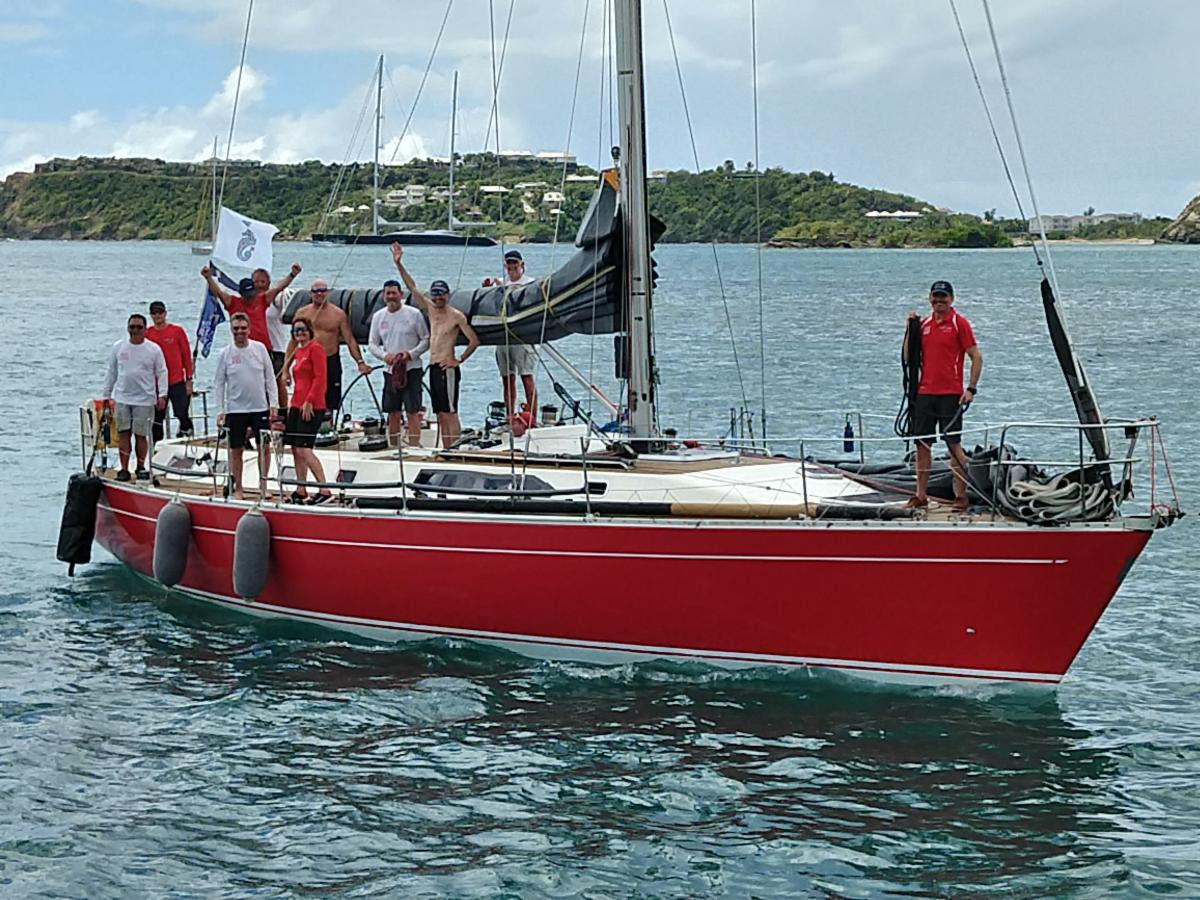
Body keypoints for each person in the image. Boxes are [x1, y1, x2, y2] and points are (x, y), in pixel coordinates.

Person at [904, 280, 984, 511]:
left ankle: (961, 496)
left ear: (951, 299)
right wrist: (910, 329)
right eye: (935, 297)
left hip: (951, 394)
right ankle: (920, 495)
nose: (939, 301)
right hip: (924, 393)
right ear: (930, 298)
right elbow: (909, 358)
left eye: (944, 297)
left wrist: (971, 388)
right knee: (922, 445)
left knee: (953, 445)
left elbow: (976, 357)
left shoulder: (960, 323)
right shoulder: (925, 324)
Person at [391, 243, 479, 448]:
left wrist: (458, 360)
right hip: (433, 365)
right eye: (435, 294)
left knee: (449, 411)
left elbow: (474, 340)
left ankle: (453, 448)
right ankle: (446, 446)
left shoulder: (455, 315)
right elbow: (412, 287)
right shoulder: (431, 310)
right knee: (439, 412)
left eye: (441, 294)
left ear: (448, 295)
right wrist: (398, 263)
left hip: (446, 367)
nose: (438, 298)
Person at [213, 312, 278, 500]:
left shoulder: (260, 349)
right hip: (236, 409)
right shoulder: (225, 354)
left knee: (263, 448)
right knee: (236, 450)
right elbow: (219, 383)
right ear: (231, 330)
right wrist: (220, 410)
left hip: (260, 408)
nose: (239, 332)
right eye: (236, 329)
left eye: (243, 328)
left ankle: (263, 485)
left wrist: (273, 404)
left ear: (249, 329)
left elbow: (270, 378)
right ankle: (238, 487)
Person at [285, 278, 371, 421]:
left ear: (328, 292)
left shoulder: (338, 314)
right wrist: (286, 369)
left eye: (323, 291)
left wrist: (360, 362)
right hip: (308, 361)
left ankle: (328, 427)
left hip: (330, 359)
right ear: (310, 294)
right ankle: (310, 426)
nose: (319, 294)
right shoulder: (302, 313)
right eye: (316, 291)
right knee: (307, 394)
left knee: (330, 401)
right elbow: (293, 342)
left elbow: (349, 339)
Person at [101, 313, 167, 482]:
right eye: (132, 327)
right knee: (124, 433)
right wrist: (106, 395)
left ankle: (140, 466)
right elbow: (112, 372)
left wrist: (162, 394)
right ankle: (123, 468)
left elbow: (161, 372)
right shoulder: (118, 347)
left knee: (141, 434)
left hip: (145, 399)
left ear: (145, 329)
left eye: (139, 327)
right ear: (127, 328)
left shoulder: (154, 349)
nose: (135, 330)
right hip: (123, 398)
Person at [367, 277, 430, 447]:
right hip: (390, 370)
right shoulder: (379, 317)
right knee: (392, 411)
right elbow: (372, 344)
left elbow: (426, 339)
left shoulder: (414, 314)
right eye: (388, 293)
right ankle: (394, 445)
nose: (391, 296)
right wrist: (384, 356)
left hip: (412, 369)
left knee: (413, 410)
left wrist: (411, 354)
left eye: (394, 293)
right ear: (383, 295)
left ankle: (414, 445)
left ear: (401, 294)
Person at [484, 249, 538, 424]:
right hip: (503, 336)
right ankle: (509, 414)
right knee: (507, 378)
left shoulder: (530, 283)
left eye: (515, 263)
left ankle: (533, 416)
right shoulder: (501, 284)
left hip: (522, 336)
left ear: (521, 264)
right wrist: (488, 288)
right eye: (509, 263)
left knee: (526, 377)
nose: (512, 266)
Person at [283, 316, 333, 504]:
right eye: (296, 330)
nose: (300, 333)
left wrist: (310, 400)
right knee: (295, 447)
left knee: (305, 448)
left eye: (303, 329)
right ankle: (301, 487)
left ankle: (324, 488)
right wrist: (286, 373)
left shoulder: (316, 349)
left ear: (309, 330)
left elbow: (320, 378)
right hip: (296, 403)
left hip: (311, 404)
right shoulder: (298, 350)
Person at [200, 261, 301, 352]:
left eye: (252, 294)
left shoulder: (261, 300)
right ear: (241, 293)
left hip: (264, 349)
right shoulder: (233, 303)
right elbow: (218, 292)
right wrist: (208, 277)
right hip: (242, 348)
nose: (250, 298)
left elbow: (279, 288)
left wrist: (292, 275)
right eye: (247, 295)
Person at [145, 300, 194, 440]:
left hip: (176, 380)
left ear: (165, 313)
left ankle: (186, 434)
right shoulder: (148, 334)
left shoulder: (177, 331)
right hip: (157, 384)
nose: (157, 316)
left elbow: (186, 355)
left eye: (160, 312)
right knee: (157, 419)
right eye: (154, 313)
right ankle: (156, 447)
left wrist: (189, 379)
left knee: (181, 412)